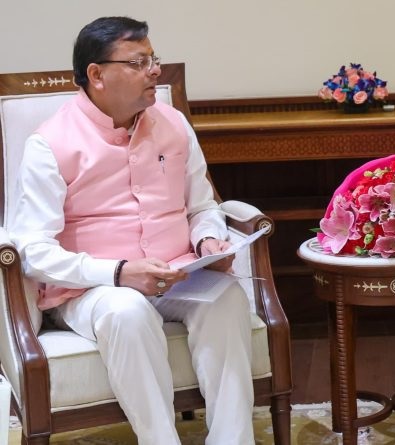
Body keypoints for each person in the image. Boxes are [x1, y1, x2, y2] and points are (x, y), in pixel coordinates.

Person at [8, 17, 255, 444]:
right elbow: (32, 250)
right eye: (139, 63)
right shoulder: (49, 143)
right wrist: (120, 273)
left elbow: (202, 206)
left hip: (178, 274)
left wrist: (207, 239)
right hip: (92, 290)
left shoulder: (174, 123)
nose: (154, 71)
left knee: (227, 298)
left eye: (153, 60)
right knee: (128, 311)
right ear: (97, 74)